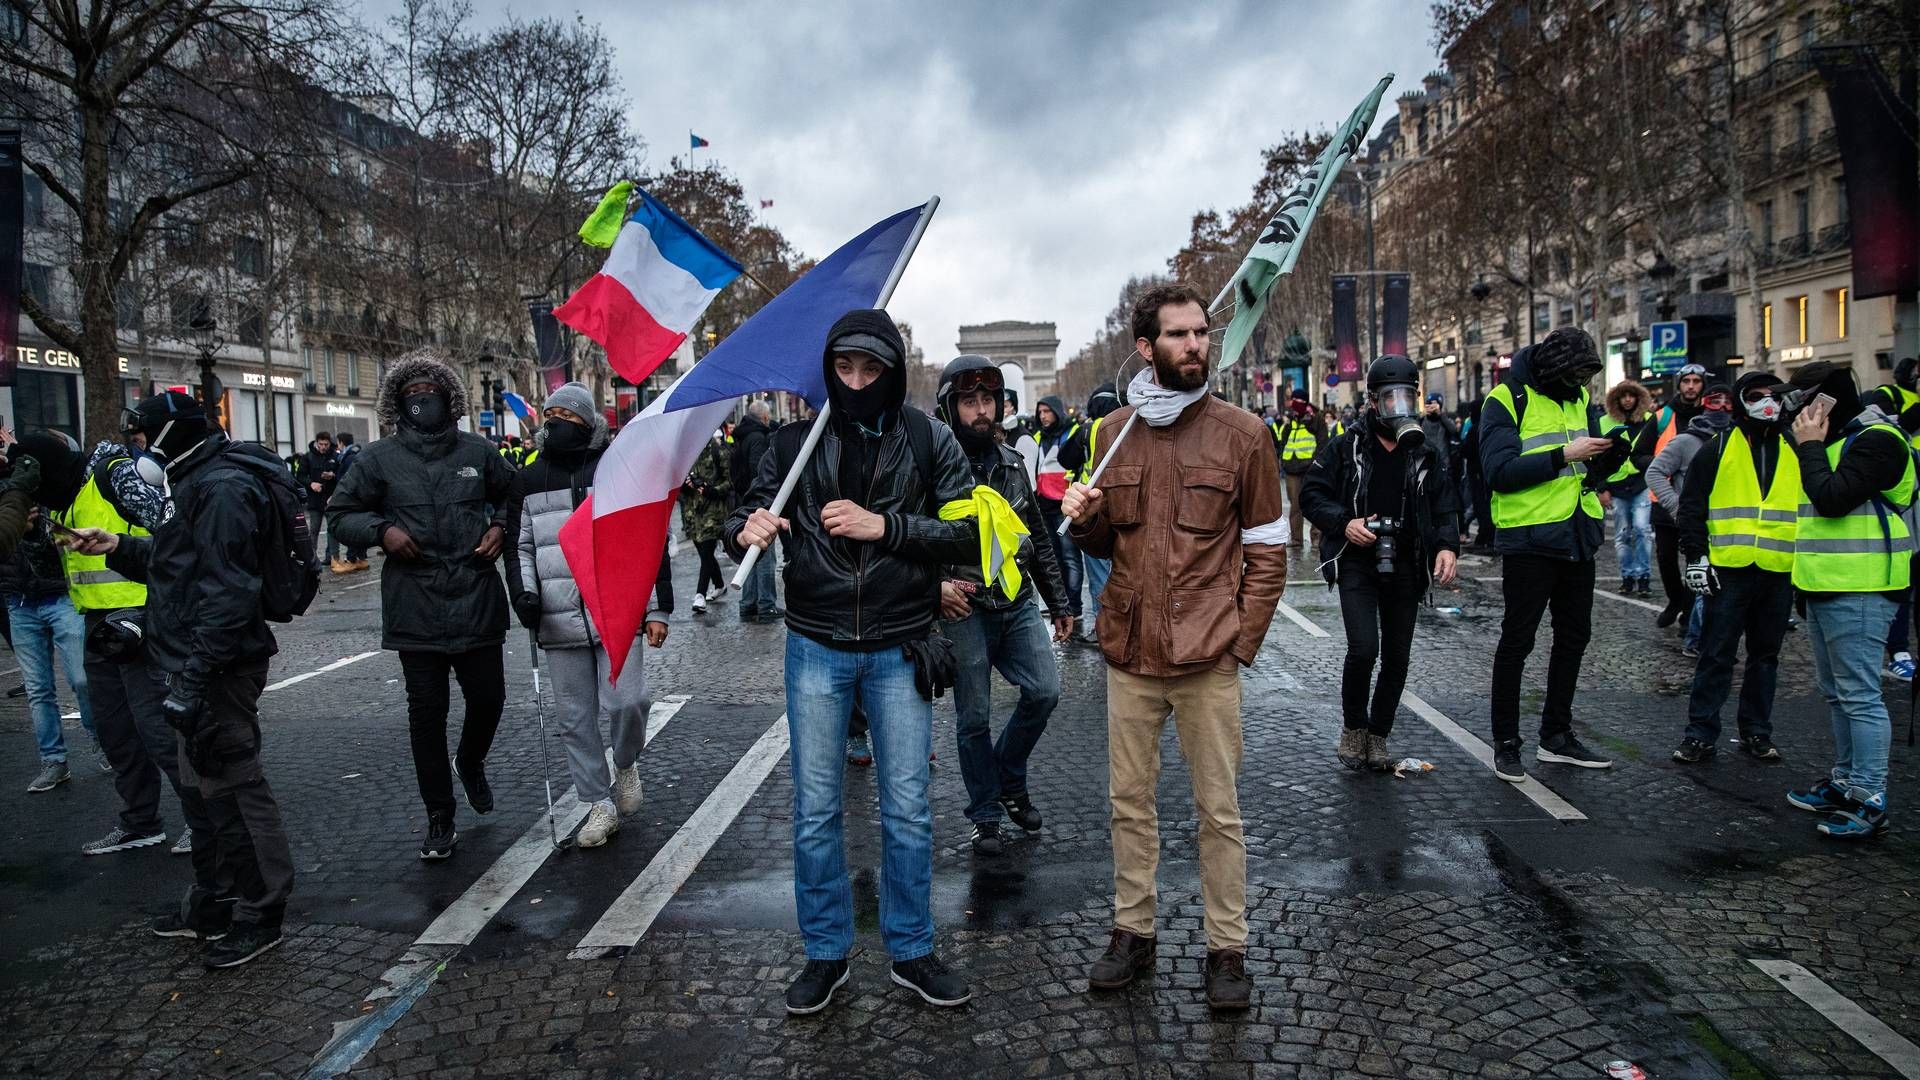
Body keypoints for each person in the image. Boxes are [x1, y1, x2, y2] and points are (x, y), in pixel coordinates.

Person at [724, 309, 978, 1015]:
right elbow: (742, 513)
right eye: (845, 368)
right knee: (814, 811)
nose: (858, 381)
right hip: (816, 643)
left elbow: (967, 528)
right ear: (828, 367)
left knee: (907, 809)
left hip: (900, 644)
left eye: (871, 369)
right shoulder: (791, 444)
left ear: (893, 371)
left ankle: (912, 948)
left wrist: (885, 527)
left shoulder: (929, 438)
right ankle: (825, 953)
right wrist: (744, 526)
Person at [1062, 283, 1288, 1012]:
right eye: (1181, 335)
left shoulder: (1244, 435)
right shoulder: (1111, 433)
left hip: (1206, 654)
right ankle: (1135, 931)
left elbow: (1268, 552)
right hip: (1129, 651)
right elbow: (1104, 543)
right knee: (1129, 803)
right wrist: (1084, 517)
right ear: (1146, 347)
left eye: (1202, 333)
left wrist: (1238, 644)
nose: (1197, 346)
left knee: (1217, 810)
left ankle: (1228, 948)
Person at [65, 391, 295, 968]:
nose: (137, 449)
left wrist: (193, 681)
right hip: (196, 659)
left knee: (235, 786)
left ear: (168, 434)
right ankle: (219, 902)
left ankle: (260, 913)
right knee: (204, 788)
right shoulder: (193, 482)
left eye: (142, 437)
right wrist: (118, 546)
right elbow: (176, 568)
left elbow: (227, 595)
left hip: (217, 664)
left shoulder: (217, 489)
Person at [329, 351, 516, 860]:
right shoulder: (376, 459)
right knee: (426, 717)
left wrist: (500, 526)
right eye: (411, 394)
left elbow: (512, 495)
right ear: (397, 403)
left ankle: (471, 760)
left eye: (429, 392)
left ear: (449, 399)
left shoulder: (478, 452)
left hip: (476, 598)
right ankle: (439, 815)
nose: (421, 401)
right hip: (415, 608)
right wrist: (381, 531)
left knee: (489, 700)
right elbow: (340, 513)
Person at [506, 383, 669, 849]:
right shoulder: (530, 478)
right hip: (557, 618)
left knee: (628, 701)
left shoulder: (617, 470)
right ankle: (598, 803)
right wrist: (525, 596)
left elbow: (648, 535)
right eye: (551, 412)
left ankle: (625, 763)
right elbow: (519, 546)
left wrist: (656, 606)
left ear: (587, 420)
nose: (557, 421)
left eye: (567, 414)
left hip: (616, 611)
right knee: (575, 719)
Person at [932, 355, 1072, 857]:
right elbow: (909, 537)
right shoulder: (931, 467)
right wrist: (934, 589)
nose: (981, 409)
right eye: (969, 401)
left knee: (1046, 691)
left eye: (988, 399)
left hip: (1016, 603)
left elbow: (1035, 532)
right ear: (950, 407)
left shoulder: (1014, 462)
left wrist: (1059, 600)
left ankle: (1008, 774)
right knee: (973, 718)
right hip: (963, 608)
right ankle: (986, 812)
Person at [1478, 328, 1625, 783]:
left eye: (1586, 376)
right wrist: (1565, 454)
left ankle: (1556, 735)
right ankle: (1505, 743)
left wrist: (1611, 456)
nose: (1581, 384)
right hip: (1528, 540)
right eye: (1576, 374)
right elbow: (1498, 473)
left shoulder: (1580, 399)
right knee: (1517, 642)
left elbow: (1588, 463)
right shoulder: (1505, 399)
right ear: (1553, 368)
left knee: (1574, 638)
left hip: (1577, 534)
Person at [1301, 357, 1460, 771]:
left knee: (1397, 658)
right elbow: (1312, 496)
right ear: (1373, 402)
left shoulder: (1425, 451)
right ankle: (1354, 728)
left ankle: (1379, 734)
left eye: (1408, 397)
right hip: (1357, 560)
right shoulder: (1346, 445)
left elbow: (1446, 507)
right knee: (1364, 648)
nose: (1400, 406)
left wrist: (1447, 547)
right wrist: (1345, 523)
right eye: (1391, 398)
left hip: (1407, 562)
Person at [1779, 362, 1910, 839]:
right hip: (1825, 584)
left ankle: (1870, 796)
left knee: (1860, 697)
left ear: (1829, 400)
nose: (1794, 410)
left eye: (1802, 399)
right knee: (1838, 694)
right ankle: (1845, 782)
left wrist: (1810, 445)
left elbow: (1831, 499)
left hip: (1864, 585)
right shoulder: (1837, 441)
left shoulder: (1878, 440)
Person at [1670, 372, 1791, 764]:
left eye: (1774, 396)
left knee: (1765, 656)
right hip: (1728, 569)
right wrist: (1696, 557)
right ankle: (1700, 733)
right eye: (1757, 396)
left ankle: (1757, 731)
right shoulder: (1717, 447)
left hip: (1777, 569)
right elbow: (1692, 506)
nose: (1767, 403)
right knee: (1716, 654)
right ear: (1741, 401)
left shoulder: (1794, 446)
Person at [5, 433, 103, 794]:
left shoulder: (50, 486)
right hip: (19, 600)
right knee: (37, 688)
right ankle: (54, 761)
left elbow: (62, 546)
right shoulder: (10, 491)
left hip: (58, 596)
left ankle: (102, 739)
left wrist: (34, 534)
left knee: (82, 678)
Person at [1646, 383, 1734, 658]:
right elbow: (1655, 471)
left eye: (1727, 402)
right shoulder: (1686, 441)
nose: (1721, 408)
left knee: (1716, 582)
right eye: (1715, 401)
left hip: (1730, 525)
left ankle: (1706, 635)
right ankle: (1696, 636)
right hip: (1692, 521)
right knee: (1694, 573)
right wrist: (1678, 507)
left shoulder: (1740, 439)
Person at [1651, 364, 1709, 625]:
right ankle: (1675, 599)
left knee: (1695, 557)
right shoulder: (1663, 416)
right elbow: (1640, 454)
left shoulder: (1712, 415)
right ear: (1679, 384)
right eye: (1687, 381)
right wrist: (1667, 466)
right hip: (1664, 500)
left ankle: (1688, 607)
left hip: (1698, 502)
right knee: (1665, 557)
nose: (1691, 386)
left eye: (1696, 381)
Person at [1070, 382, 1123, 640]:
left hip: (1094, 503)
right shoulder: (1130, 423)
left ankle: (1103, 627)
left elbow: (1065, 458)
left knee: (1099, 571)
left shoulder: (1089, 428)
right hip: (1125, 500)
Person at [1032, 395, 1084, 634]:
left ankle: (1074, 606)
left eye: (1046, 411)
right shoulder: (1038, 437)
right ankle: (1061, 604)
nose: (1043, 416)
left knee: (1070, 558)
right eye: (1040, 412)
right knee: (1053, 558)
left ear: (1056, 410)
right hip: (1044, 504)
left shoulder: (1071, 433)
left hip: (1065, 504)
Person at [1601, 380, 1658, 596]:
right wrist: (1602, 487)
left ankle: (1643, 577)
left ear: (1637, 398)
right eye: (1622, 396)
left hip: (1641, 482)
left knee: (1643, 531)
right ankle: (1627, 576)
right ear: (1616, 399)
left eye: (1630, 395)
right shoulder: (1604, 422)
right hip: (1616, 485)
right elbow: (1597, 458)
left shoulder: (1649, 420)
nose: (1627, 400)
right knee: (1623, 534)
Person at [729, 400, 781, 623]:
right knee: (764, 554)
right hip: (756, 504)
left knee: (749, 557)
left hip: (741, 501)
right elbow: (760, 474)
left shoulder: (740, 437)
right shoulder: (758, 439)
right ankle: (766, 604)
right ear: (765, 418)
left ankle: (748, 603)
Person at [681, 428, 732, 614]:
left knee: (707, 551)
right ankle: (719, 584)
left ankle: (699, 595)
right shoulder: (685, 455)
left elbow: (729, 482)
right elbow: (678, 482)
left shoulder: (719, 452)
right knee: (704, 553)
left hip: (713, 512)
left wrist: (711, 490)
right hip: (692, 513)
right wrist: (686, 487)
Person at [1275, 392, 1323, 554]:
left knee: (1314, 502)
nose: (1294, 404)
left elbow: (1322, 442)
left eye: (1297, 400)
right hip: (1292, 468)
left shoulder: (1316, 417)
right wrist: (1283, 460)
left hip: (1310, 468)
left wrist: (1316, 463)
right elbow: (1284, 441)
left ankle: (1317, 537)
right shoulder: (1290, 419)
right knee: (1295, 506)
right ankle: (1296, 539)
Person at [296, 432, 344, 574]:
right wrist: (311, 484)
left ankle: (333, 557)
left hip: (330, 498)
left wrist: (333, 475)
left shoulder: (335, 456)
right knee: (314, 530)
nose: (323, 447)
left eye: (326, 445)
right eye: (321, 444)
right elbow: (300, 476)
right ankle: (311, 558)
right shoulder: (308, 457)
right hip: (315, 499)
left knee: (333, 529)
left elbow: (341, 475)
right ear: (316, 443)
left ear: (330, 443)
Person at [333, 432, 368, 572]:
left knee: (354, 527)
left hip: (353, 498)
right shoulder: (357, 454)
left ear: (341, 442)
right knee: (360, 526)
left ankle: (351, 559)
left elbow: (349, 479)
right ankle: (361, 557)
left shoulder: (349, 458)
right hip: (360, 497)